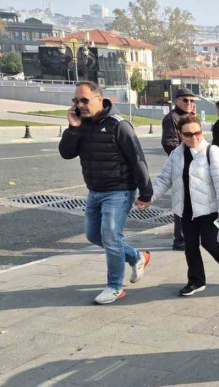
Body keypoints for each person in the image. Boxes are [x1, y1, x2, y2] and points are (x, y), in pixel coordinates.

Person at [59, 81, 153, 305]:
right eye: (76, 101)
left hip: (119, 191)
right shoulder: (81, 125)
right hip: (95, 191)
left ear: (99, 100)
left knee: (111, 237)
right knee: (94, 235)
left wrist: (146, 193)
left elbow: (138, 159)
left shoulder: (119, 125)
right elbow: (66, 153)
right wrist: (72, 128)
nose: (80, 105)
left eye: (84, 100)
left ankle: (115, 287)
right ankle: (137, 256)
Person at [138, 114, 219, 296]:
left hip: (209, 209)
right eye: (188, 134)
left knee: (209, 242)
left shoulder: (211, 152)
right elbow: (163, 180)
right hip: (185, 210)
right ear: (180, 134)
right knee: (190, 246)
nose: (194, 137)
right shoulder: (176, 154)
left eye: (197, 133)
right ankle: (196, 281)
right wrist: (148, 198)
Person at [161, 88, 196, 251]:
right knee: (181, 203)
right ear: (176, 101)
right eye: (185, 100)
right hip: (181, 166)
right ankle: (180, 239)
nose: (189, 103)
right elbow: (169, 143)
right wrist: (184, 155)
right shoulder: (172, 118)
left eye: (192, 100)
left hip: (194, 166)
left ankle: (191, 235)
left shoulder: (189, 117)